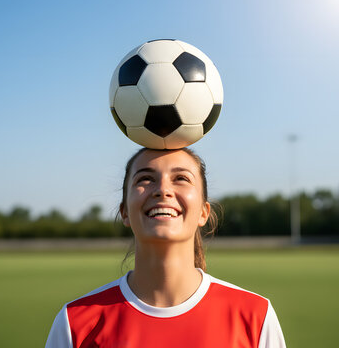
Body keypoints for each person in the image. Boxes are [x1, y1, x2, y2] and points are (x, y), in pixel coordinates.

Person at [45, 148, 286, 348]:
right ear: (124, 212)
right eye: (145, 179)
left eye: (181, 178)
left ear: (204, 211)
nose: (162, 190)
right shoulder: (75, 322)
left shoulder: (255, 316)